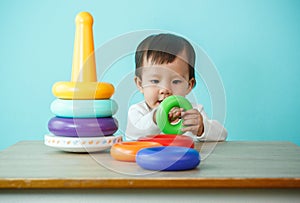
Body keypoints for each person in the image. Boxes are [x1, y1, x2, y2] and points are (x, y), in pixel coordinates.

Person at [125, 33, 227, 141]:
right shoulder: (138, 111)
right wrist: (155, 118)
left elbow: (222, 134)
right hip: (149, 157)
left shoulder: (193, 111)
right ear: (140, 84)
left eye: (176, 81)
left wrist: (201, 128)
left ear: (189, 85)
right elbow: (132, 134)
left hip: (185, 157)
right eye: (155, 81)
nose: (165, 89)